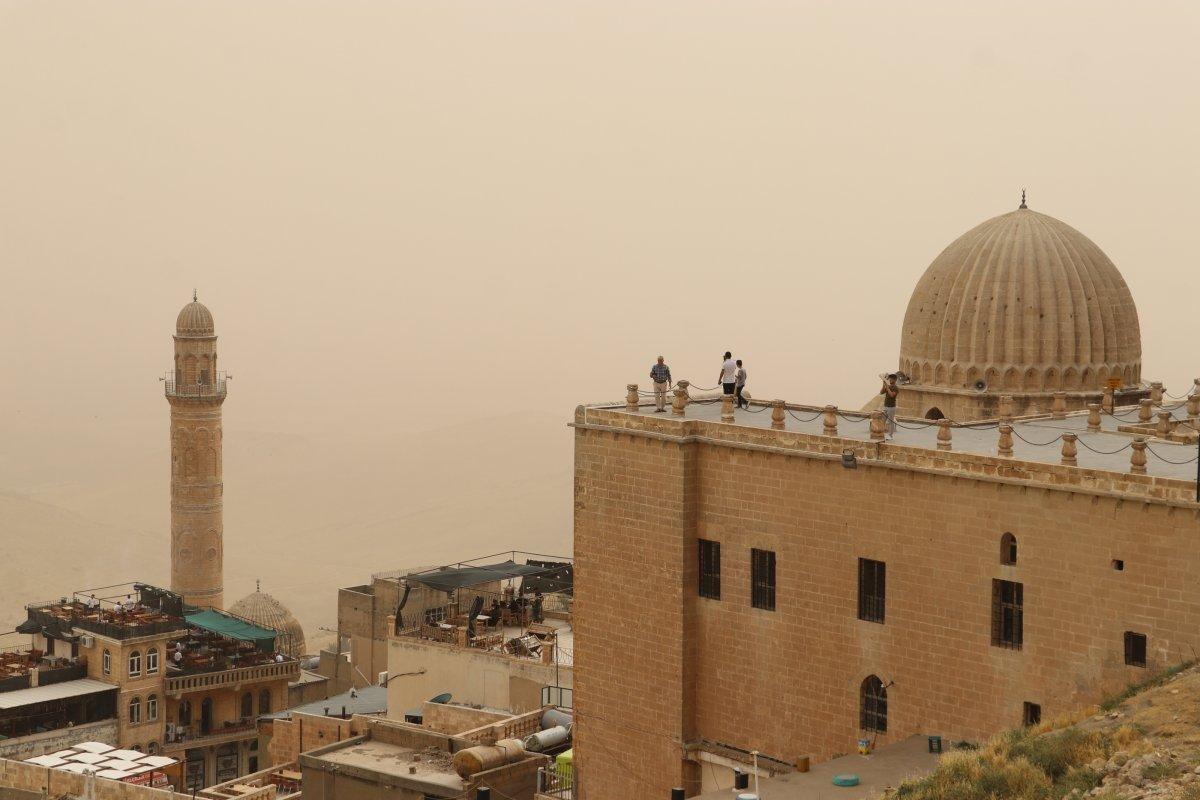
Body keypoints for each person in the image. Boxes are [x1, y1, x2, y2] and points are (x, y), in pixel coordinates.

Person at [880, 373, 899, 439]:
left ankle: (890, 435)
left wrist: (887, 388)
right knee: (883, 421)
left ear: (895, 380)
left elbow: (892, 395)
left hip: (891, 407)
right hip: (886, 406)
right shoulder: (889, 386)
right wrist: (883, 384)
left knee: (890, 421)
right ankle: (881, 433)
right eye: (890, 378)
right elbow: (881, 392)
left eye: (892, 379)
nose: (890, 380)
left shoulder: (895, 388)